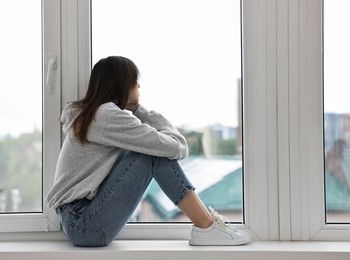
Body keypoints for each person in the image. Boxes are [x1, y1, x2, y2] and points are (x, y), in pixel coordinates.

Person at [46, 56, 250, 247]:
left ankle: (206, 226)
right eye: (135, 81)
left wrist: (134, 108)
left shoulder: (94, 114)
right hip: (84, 225)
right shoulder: (107, 115)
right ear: (123, 85)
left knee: (149, 149)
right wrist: (140, 110)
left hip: (76, 220)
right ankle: (205, 226)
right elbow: (177, 146)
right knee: (151, 153)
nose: (139, 87)